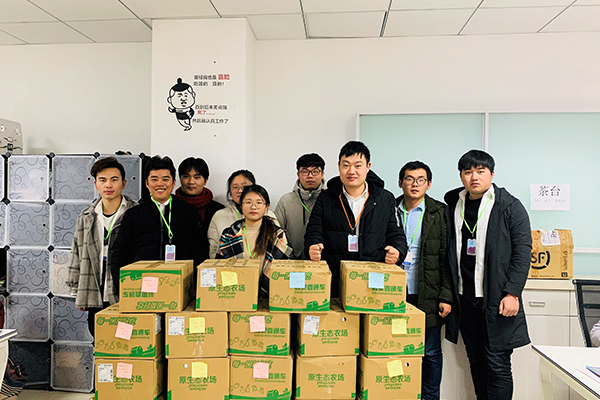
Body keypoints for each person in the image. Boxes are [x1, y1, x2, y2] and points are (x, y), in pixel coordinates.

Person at [444, 149, 531, 400]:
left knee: (498, 364)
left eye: (480, 171)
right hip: (465, 299)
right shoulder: (453, 204)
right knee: (475, 360)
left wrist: (512, 293)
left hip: (496, 299)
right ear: (461, 176)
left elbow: (523, 252)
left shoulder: (509, 206)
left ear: (491, 174)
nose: (474, 177)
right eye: (468, 172)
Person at [304, 141, 407, 298]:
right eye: (346, 165)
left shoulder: (385, 198)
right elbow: (313, 231)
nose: (351, 171)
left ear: (368, 166)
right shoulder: (326, 198)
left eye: (358, 165)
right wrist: (312, 246)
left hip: (373, 280)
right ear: (339, 166)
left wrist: (397, 251)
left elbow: (397, 234)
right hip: (335, 280)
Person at [396, 161, 453, 400]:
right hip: (394, 292)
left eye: (421, 180)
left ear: (428, 184)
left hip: (427, 292)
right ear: (400, 183)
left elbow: (447, 258)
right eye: (409, 179)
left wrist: (446, 296)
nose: (415, 184)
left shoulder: (439, 212)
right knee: (396, 348)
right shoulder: (389, 209)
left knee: (430, 352)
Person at [111, 155, 206, 288]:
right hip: (142, 285)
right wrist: (121, 285)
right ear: (147, 183)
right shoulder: (134, 214)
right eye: (154, 179)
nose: (160, 184)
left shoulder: (189, 213)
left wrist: (195, 287)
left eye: (165, 179)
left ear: (173, 183)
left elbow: (200, 252)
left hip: (179, 285)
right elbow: (120, 253)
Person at [67, 156, 136, 336]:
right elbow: (76, 252)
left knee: (126, 339)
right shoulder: (87, 216)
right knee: (99, 338)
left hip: (124, 291)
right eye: (103, 180)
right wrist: (77, 290)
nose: (108, 185)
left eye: (114, 179)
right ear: (96, 184)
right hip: (93, 290)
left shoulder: (135, 213)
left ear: (123, 183)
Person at [217, 184, 292, 295]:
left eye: (259, 202)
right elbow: (220, 268)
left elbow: (284, 269)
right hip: (236, 294)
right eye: (248, 202)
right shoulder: (229, 234)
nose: (253, 207)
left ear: (266, 206)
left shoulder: (276, 234)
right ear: (241, 206)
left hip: (270, 295)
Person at [207, 170, 277, 258]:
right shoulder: (219, 216)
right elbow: (214, 251)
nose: (240, 190)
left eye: (245, 186)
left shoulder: (270, 216)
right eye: (235, 187)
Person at [274, 153, 326, 259]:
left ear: (322, 174)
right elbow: (276, 233)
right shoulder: (286, 201)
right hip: (292, 261)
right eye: (305, 171)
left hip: (323, 260)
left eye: (315, 171)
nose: (310, 176)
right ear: (298, 174)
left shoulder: (331, 200)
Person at [174, 157, 224, 234]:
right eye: (186, 176)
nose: (191, 182)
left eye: (197, 177)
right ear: (180, 179)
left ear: (205, 180)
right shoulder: (171, 206)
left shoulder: (218, 210)